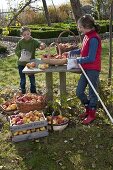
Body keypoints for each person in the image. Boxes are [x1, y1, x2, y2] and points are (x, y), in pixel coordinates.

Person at [68, 15, 102, 125]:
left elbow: (91, 58)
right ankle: (88, 108)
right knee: (79, 91)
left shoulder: (94, 39)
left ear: (85, 26)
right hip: (86, 68)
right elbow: (83, 50)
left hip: (93, 69)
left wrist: (77, 60)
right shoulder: (87, 36)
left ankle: (92, 113)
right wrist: (71, 52)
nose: (79, 29)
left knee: (92, 92)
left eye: (80, 27)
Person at [15, 26, 46, 94]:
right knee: (23, 80)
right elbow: (16, 51)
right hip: (21, 64)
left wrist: (42, 45)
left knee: (32, 78)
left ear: (30, 33)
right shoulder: (20, 42)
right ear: (22, 35)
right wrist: (21, 52)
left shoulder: (33, 41)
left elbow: (39, 44)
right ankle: (23, 91)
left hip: (30, 64)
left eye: (28, 34)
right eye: (24, 35)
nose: (26, 36)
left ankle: (33, 91)